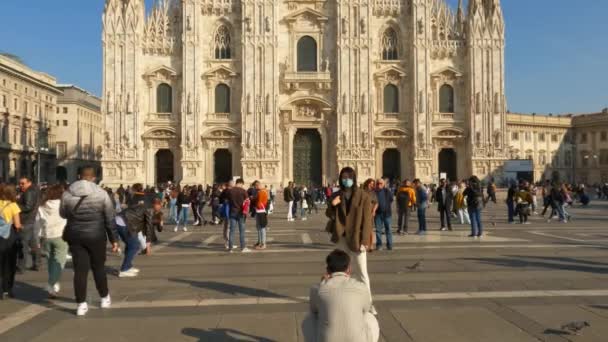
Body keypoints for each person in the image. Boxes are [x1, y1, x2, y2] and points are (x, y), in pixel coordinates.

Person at [60, 167, 118, 316]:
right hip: (96, 235)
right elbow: (110, 218)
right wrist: (114, 239)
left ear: (79, 176)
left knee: (80, 270)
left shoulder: (67, 193)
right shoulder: (101, 193)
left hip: (75, 235)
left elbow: (63, 213)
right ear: (93, 178)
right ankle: (104, 297)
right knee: (98, 267)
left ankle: (81, 304)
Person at [325, 167, 375, 314]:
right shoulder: (337, 194)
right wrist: (333, 204)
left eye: (348, 177)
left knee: (362, 273)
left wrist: (365, 241)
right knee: (340, 272)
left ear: (353, 178)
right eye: (343, 177)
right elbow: (329, 214)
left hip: (357, 238)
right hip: (342, 237)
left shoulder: (363, 196)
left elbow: (367, 221)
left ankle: (369, 303)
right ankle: (343, 301)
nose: (345, 179)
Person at [307, 249, 379, 342]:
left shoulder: (317, 289)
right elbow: (366, 309)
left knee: (309, 318)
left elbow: (314, 310)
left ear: (328, 270)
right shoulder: (361, 287)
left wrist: (322, 283)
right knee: (369, 316)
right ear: (348, 269)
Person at [116, 184, 152, 277]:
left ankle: (128, 266)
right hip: (125, 222)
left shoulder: (140, 202)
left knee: (130, 244)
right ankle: (124, 269)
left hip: (123, 220)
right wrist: (148, 243)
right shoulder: (148, 209)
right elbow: (149, 226)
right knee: (135, 246)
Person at [38, 184, 68, 298]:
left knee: (51, 262)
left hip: (46, 237)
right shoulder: (63, 205)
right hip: (61, 236)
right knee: (60, 262)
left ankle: (54, 285)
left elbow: (38, 223)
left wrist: (38, 238)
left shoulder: (42, 205)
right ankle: (51, 284)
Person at [0, 184, 22, 300]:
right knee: (10, 263)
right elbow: (17, 224)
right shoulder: (13, 206)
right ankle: (7, 289)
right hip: (9, 237)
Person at [17, 176, 41, 271]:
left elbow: (27, 207)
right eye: (20, 183)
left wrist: (15, 205)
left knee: (23, 244)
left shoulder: (29, 191)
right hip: (30, 220)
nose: (20, 185)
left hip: (26, 220)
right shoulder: (33, 190)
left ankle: (21, 266)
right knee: (33, 243)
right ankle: (37, 263)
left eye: (23, 183)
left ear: (29, 182)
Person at [228, 179, 250, 253]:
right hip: (241, 213)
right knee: (241, 231)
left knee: (232, 231)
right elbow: (247, 201)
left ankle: (230, 248)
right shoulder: (243, 191)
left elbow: (227, 200)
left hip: (232, 212)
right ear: (240, 183)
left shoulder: (230, 191)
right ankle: (243, 247)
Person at [374, 179, 393, 251]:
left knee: (388, 229)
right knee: (378, 230)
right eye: (378, 183)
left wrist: (386, 206)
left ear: (384, 184)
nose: (379, 185)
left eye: (381, 183)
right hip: (378, 214)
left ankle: (390, 244)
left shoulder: (387, 191)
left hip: (387, 213)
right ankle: (379, 245)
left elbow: (391, 199)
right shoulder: (374, 192)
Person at [253, 181, 269, 250]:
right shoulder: (261, 192)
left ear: (257, 185)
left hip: (261, 211)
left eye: (255, 186)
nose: (254, 188)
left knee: (262, 228)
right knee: (259, 227)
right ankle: (260, 242)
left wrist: (254, 203)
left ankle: (263, 243)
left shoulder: (262, 192)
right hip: (259, 211)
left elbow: (259, 202)